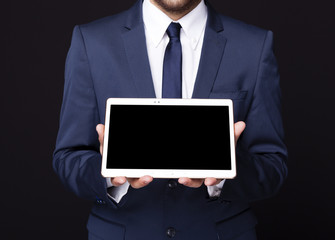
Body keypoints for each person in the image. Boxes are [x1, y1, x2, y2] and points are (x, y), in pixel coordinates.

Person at [53, 0, 288, 239]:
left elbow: (273, 166)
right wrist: (110, 177)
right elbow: (68, 157)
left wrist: (222, 177)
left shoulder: (254, 45)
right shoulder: (92, 42)